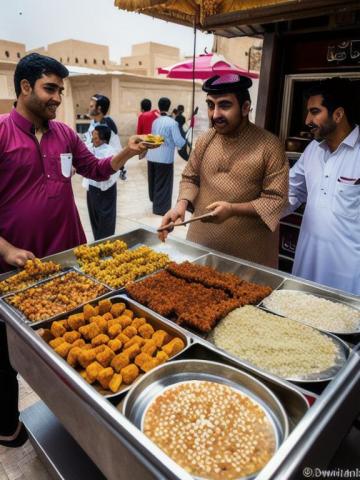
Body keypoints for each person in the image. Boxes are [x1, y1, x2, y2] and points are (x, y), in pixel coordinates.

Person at [0, 53, 152, 448]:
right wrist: (7, 249)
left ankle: (72, 420)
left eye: (60, 91)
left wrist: (127, 152)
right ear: (25, 87)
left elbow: (98, 170)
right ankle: (8, 425)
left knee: (75, 341)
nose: (56, 98)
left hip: (68, 263)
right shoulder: (1, 134)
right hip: (17, 269)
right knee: (8, 353)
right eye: (50, 89)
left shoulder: (65, 134)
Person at [159, 73, 288, 268]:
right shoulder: (205, 140)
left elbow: (276, 200)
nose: (215, 114)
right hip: (200, 248)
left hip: (248, 257)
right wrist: (181, 205)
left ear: (245, 108)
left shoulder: (269, 146)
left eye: (225, 105)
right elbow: (190, 178)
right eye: (211, 105)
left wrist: (233, 209)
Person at [284, 77, 360, 295]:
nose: (307, 119)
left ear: (338, 114)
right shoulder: (312, 151)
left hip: (348, 278)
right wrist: (250, 212)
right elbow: (291, 193)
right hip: (306, 270)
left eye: (315, 111)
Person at [147, 97, 186, 215]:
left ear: (159, 106)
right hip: (164, 157)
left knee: (154, 181)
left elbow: (153, 137)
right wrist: (186, 141)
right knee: (163, 183)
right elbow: (179, 141)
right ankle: (161, 209)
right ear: (169, 107)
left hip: (152, 155)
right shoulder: (172, 123)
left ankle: (155, 203)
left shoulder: (155, 121)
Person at [83, 125, 119, 240]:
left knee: (106, 219)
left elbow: (112, 172)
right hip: (92, 189)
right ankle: (97, 242)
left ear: (103, 139)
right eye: (92, 136)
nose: (93, 139)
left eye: (96, 137)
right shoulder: (89, 147)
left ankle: (106, 244)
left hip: (105, 191)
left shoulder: (110, 152)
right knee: (94, 218)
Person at [85, 93, 127, 180]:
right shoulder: (94, 122)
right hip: (93, 170)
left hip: (104, 173)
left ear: (99, 108)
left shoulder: (107, 125)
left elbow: (116, 149)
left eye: (92, 106)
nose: (89, 108)